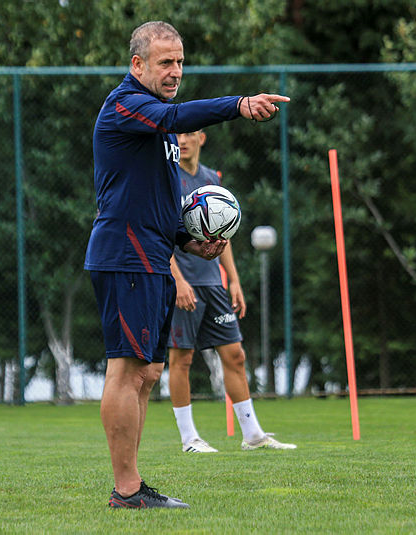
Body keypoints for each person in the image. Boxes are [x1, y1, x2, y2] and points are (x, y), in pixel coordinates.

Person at [84, 20, 289, 510]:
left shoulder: (155, 123)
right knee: (127, 370)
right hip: (124, 254)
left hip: (153, 253)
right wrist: (238, 105)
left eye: (180, 62)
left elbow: (151, 197)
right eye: (165, 62)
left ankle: (133, 487)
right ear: (138, 65)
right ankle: (127, 490)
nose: (175, 71)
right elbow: (176, 117)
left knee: (149, 372)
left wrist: (187, 241)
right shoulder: (126, 104)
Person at [168, 130, 297, 453]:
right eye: (177, 134)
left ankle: (253, 435)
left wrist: (234, 279)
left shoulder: (212, 179)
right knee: (182, 358)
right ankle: (189, 439)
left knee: (235, 355)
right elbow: (159, 232)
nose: (182, 140)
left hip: (214, 283)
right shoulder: (166, 176)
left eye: (188, 134)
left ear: (202, 137)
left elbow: (222, 234)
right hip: (183, 282)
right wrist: (178, 281)